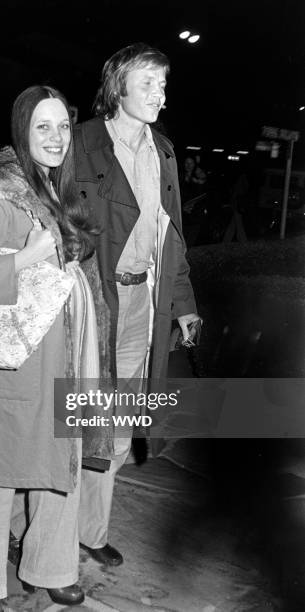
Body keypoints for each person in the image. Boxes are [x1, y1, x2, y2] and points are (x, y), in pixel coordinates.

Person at [0, 85, 100, 611]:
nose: (56, 138)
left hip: (61, 357)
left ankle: (49, 566)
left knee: (61, 465)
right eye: (42, 127)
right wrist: (26, 259)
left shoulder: (55, 189)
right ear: (21, 132)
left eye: (63, 127)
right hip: (10, 363)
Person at [74, 42, 200, 566]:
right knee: (72, 417)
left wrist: (183, 301)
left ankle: (88, 530)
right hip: (90, 303)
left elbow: (171, 235)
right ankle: (31, 524)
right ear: (117, 86)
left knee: (117, 420)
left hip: (141, 302)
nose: (159, 94)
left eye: (164, 84)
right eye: (147, 82)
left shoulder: (164, 151)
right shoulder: (80, 142)